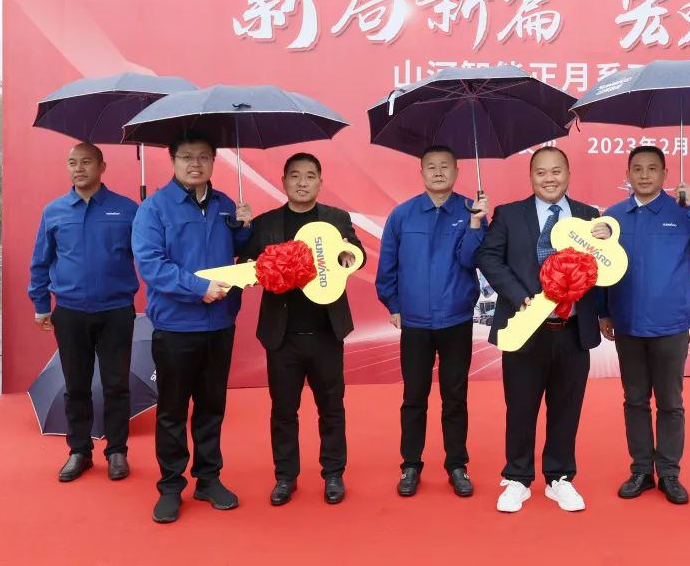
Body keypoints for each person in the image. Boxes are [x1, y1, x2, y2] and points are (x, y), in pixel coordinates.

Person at [477, 146, 606, 513]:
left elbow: (605, 269)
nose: (550, 179)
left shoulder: (589, 216)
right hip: (524, 327)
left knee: (566, 407)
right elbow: (487, 257)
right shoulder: (508, 214)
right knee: (520, 407)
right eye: (541, 172)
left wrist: (605, 241)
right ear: (531, 176)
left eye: (556, 171)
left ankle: (559, 477)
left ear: (568, 174)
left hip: (572, 329)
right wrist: (519, 296)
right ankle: (517, 478)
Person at [131, 131, 252, 524]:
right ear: (173, 160)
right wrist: (199, 288)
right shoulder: (153, 209)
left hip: (220, 324)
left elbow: (238, 252)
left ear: (214, 161)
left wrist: (245, 228)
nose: (195, 164)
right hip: (176, 326)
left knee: (212, 406)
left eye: (203, 156)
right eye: (186, 156)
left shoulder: (225, 205)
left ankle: (208, 478)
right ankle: (170, 485)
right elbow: (152, 265)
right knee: (172, 409)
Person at [599, 146, 690, 506]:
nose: (644, 175)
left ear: (665, 175)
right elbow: (601, 267)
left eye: (652, 169)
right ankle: (641, 469)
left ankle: (669, 472)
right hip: (627, 323)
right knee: (635, 400)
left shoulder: (682, 211)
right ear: (627, 174)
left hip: (670, 325)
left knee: (670, 402)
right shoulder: (612, 217)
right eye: (637, 169)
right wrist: (603, 312)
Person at [240, 153, 362, 507]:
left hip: (326, 332)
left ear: (320, 182)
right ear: (284, 181)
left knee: (332, 408)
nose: (302, 182)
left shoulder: (336, 219)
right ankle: (285, 476)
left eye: (310, 176)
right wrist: (244, 232)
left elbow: (356, 254)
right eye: (295, 175)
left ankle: (333, 473)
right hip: (282, 335)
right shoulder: (265, 223)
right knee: (283, 411)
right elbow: (246, 265)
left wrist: (347, 256)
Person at [375, 145, 488, 498]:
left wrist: (475, 224)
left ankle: (457, 465)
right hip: (416, 322)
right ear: (421, 172)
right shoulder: (402, 215)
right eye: (431, 167)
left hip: (456, 319)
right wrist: (393, 303)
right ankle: (410, 465)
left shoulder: (471, 210)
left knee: (455, 396)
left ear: (457, 172)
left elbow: (470, 261)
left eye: (445, 166)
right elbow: (387, 265)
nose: (438, 172)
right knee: (414, 396)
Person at [28, 142, 139, 483]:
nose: (79, 168)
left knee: (116, 384)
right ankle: (79, 451)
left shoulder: (128, 209)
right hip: (71, 312)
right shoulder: (54, 211)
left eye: (86, 162)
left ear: (102, 167)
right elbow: (41, 261)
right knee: (76, 386)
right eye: (73, 163)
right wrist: (40, 305)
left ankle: (117, 450)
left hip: (116, 311)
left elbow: (149, 254)